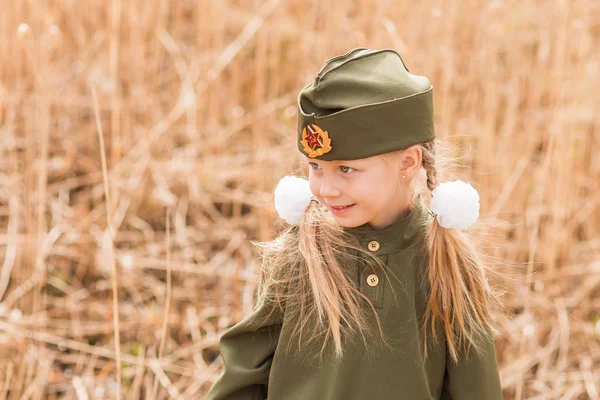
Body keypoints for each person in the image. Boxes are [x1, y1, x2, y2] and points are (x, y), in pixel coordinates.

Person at [205, 47, 504, 400]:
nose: (325, 189)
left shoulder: (448, 265)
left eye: (346, 169)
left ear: (408, 163)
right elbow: (244, 376)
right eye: (315, 167)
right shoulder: (298, 255)